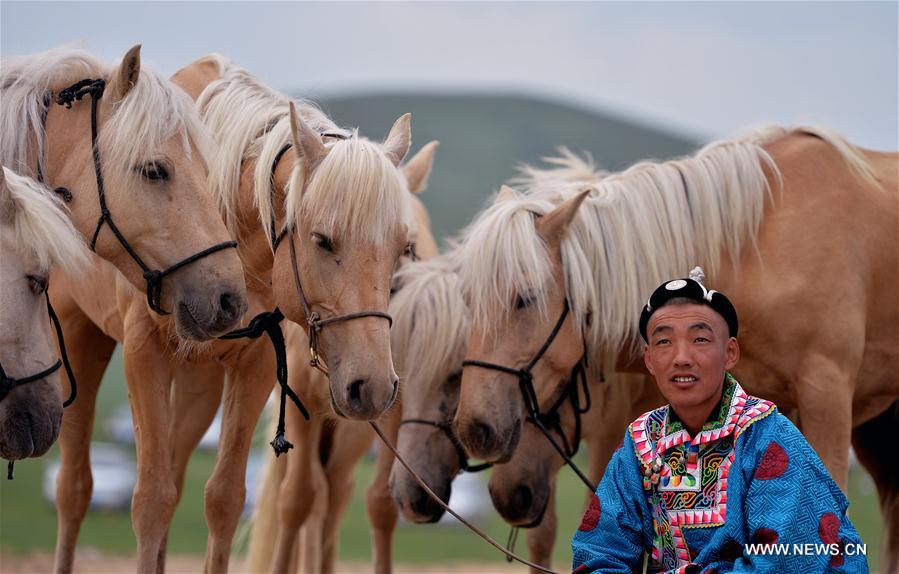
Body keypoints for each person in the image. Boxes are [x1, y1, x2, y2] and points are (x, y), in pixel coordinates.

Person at [571, 268, 867, 573]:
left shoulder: (768, 436)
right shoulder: (640, 443)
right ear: (648, 359)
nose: (681, 357)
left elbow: (781, 562)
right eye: (664, 342)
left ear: (730, 353)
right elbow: (599, 551)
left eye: (700, 339)